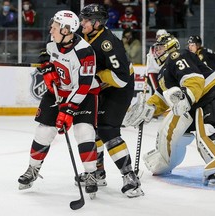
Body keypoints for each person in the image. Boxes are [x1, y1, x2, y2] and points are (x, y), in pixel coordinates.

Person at [124, 33, 215, 186]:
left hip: (213, 92)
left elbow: (193, 80)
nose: (157, 52)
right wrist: (148, 108)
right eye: (156, 49)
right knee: (180, 133)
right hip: (200, 100)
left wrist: (187, 97)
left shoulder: (177, 56)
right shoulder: (164, 72)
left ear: (170, 47)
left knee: (208, 130)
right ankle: (167, 160)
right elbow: (163, 96)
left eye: (160, 48)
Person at [18, 10, 101, 197]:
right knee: (44, 131)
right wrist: (46, 69)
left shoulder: (85, 51)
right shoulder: (52, 42)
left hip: (84, 95)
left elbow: (84, 86)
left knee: (84, 131)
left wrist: (68, 110)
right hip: (57, 92)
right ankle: (33, 169)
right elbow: (44, 53)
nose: (51, 31)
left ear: (66, 30)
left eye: (54, 28)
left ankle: (90, 174)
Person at [77, 3, 144, 198]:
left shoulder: (108, 42)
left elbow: (121, 78)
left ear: (97, 23)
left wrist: (97, 78)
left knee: (107, 129)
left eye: (86, 20)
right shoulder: (85, 36)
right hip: (104, 87)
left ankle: (130, 177)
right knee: (92, 126)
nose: (82, 23)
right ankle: (98, 172)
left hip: (119, 87)